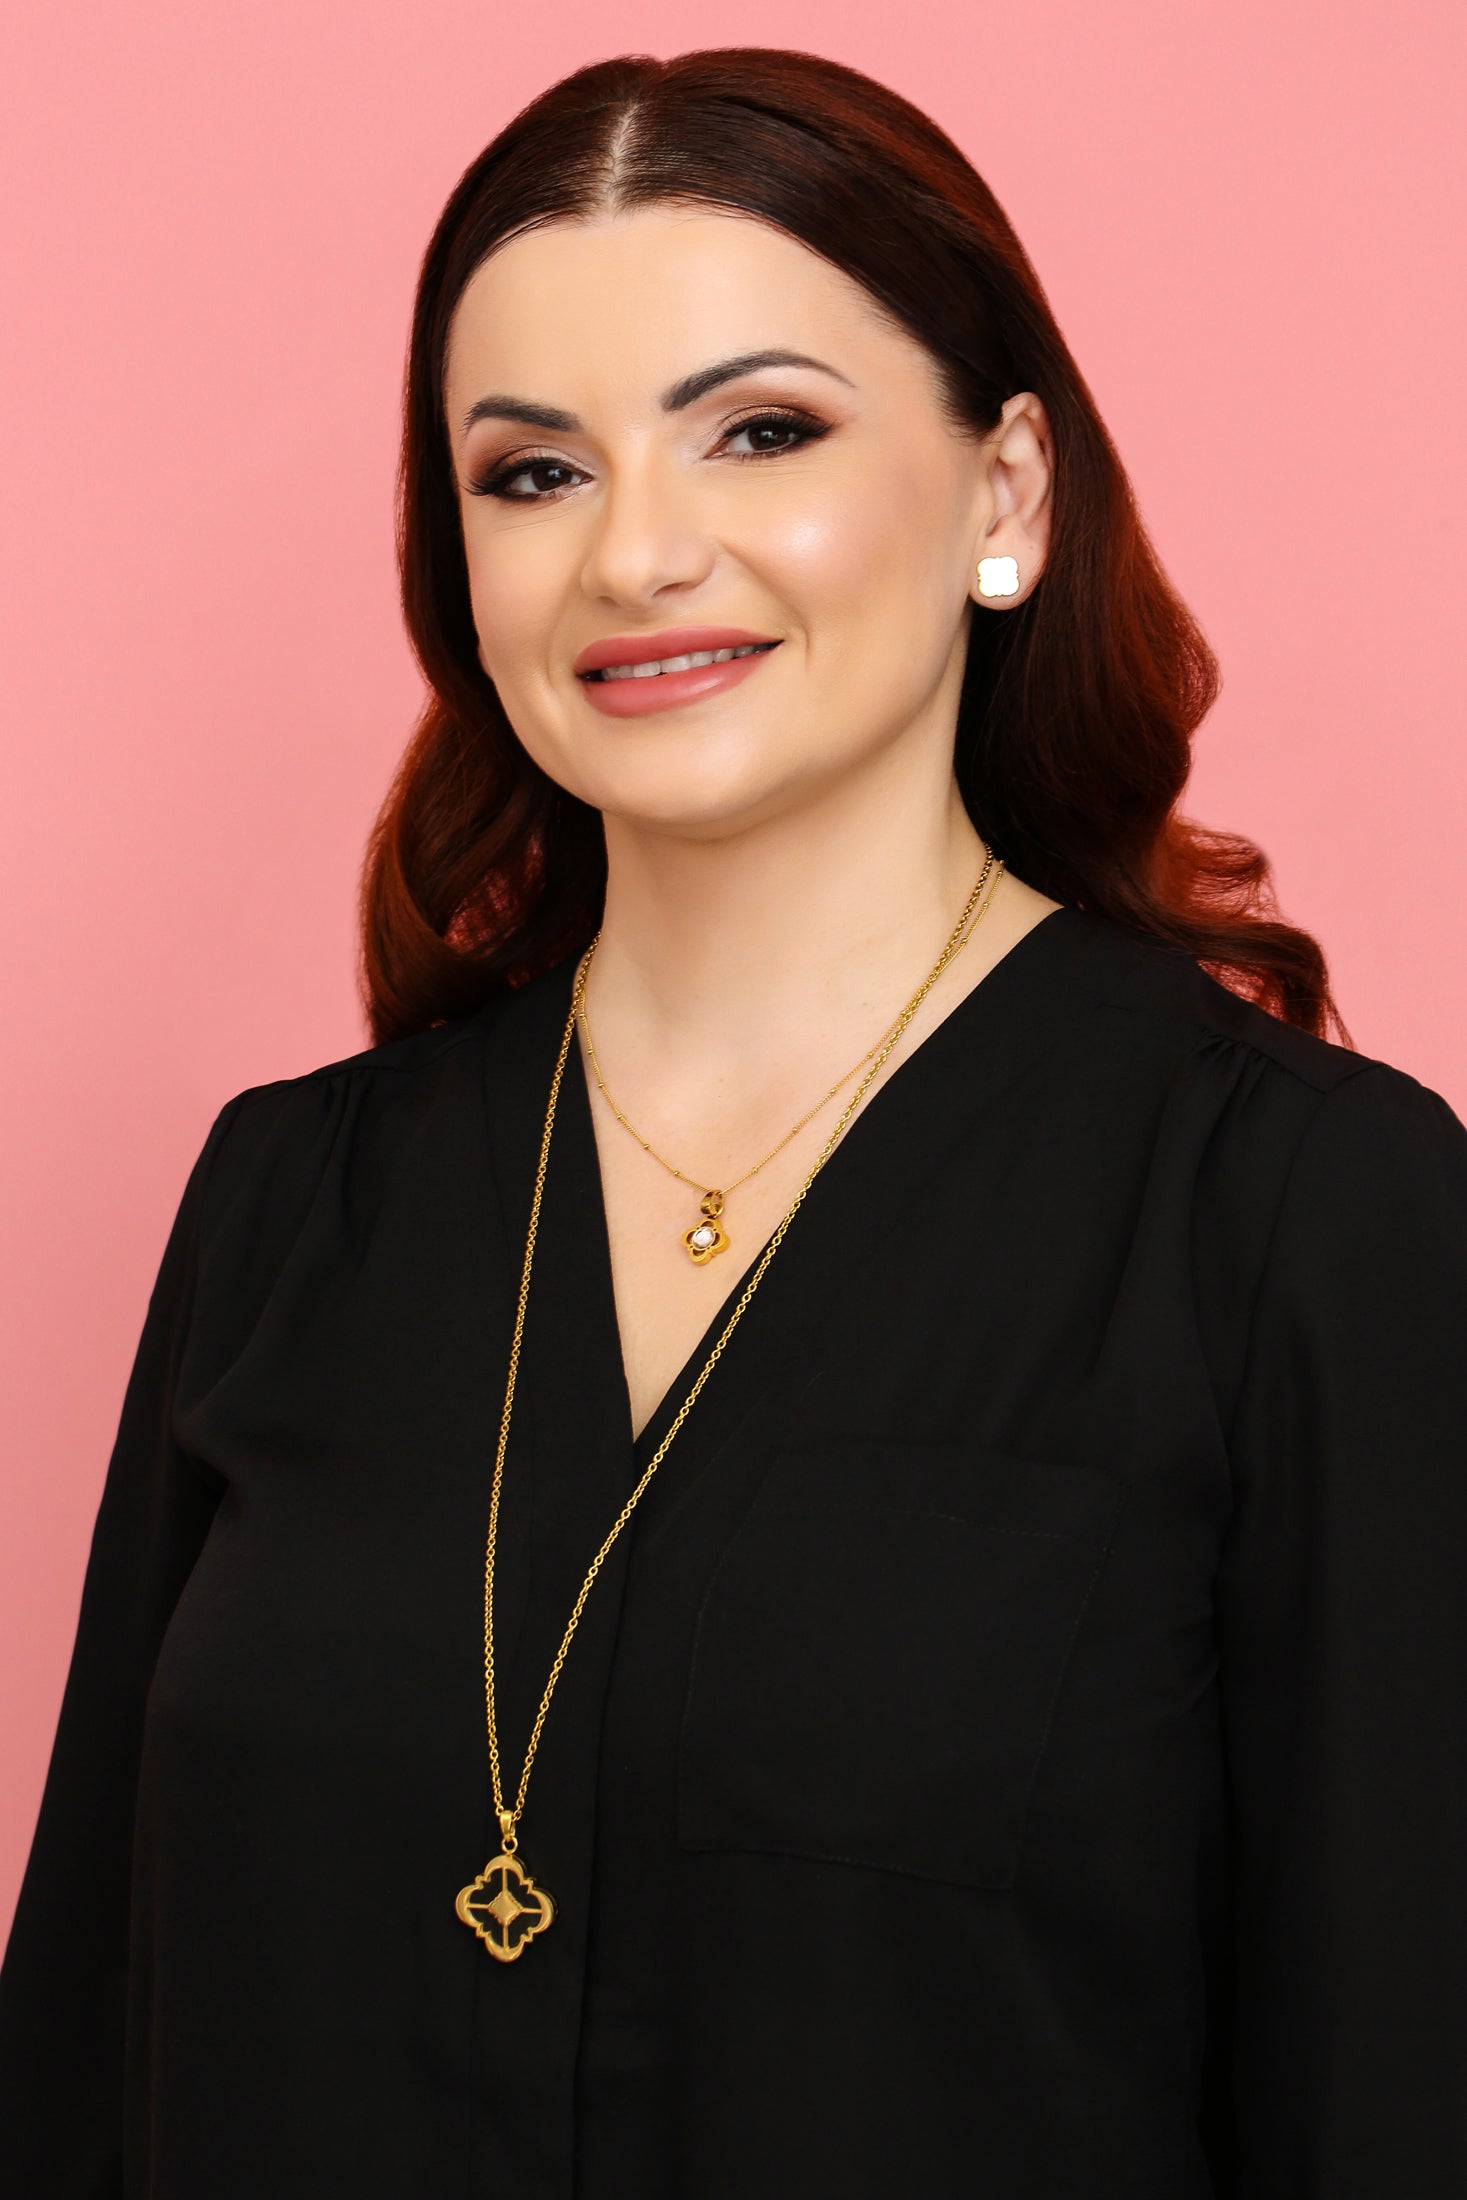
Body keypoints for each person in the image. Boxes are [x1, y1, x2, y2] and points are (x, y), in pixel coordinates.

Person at [2, 43, 1464, 2200]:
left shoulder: (1305, 1215)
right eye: (532, 472)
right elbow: (78, 2069)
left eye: (760, 430)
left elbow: (1401, 2093)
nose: (635, 551)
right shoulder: (291, 1204)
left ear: (1006, 495)